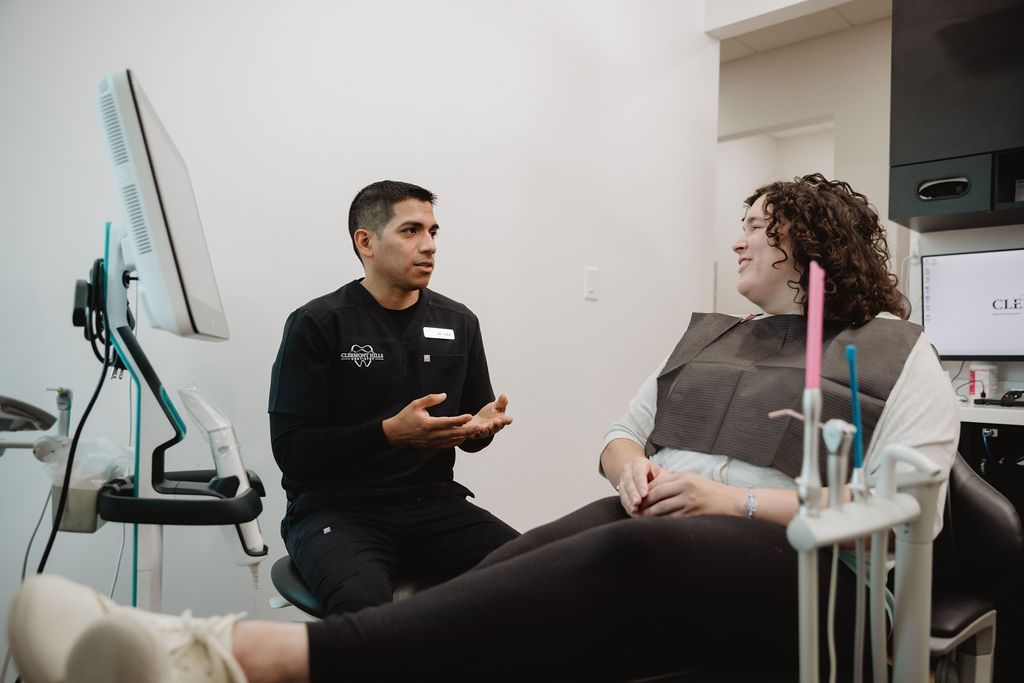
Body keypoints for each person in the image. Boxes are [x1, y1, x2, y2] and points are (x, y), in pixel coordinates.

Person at [7, 174, 958, 683]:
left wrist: (731, 500)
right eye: (412, 230)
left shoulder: (892, 353)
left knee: (620, 558)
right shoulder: (712, 338)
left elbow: (912, 508)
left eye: (756, 223)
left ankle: (231, 655)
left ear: (807, 244)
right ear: (365, 241)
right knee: (525, 562)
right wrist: (630, 470)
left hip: (800, 565)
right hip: (369, 508)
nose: (738, 237)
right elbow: (622, 434)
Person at [267, 180, 520, 615]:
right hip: (335, 510)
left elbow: (471, 434)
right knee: (368, 610)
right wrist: (388, 433)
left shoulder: (459, 321)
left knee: (540, 574)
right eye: (411, 231)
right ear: (365, 242)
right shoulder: (318, 323)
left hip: (433, 504)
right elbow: (292, 451)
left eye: (433, 232)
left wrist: (479, 429)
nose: (429, 246)